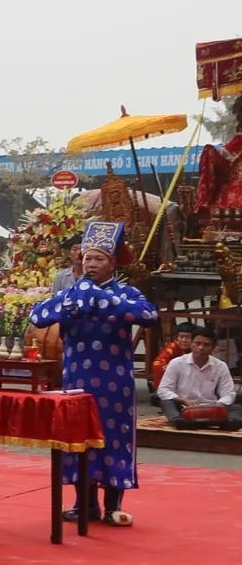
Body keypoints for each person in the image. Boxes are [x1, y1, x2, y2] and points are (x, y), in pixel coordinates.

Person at [29, 220, 159, 526]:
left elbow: (150, 315)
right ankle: (84, 505)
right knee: (79, 439)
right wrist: (73, 302)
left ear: (112, 263)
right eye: (87, 257)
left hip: (116, 386)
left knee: (113, 439)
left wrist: (102, 300)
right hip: (77, 382)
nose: (91, 263)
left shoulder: (127, 293)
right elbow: (38, 315)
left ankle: (113, 506)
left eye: (98, 258)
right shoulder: (71, 293)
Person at [157, 327, 241, 428]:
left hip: (212, 408)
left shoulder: (220, 366)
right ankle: (179, 421)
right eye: (197, 343)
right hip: (184, 407)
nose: (201, 348)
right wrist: (182, 400)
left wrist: (219, 404)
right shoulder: (176, 363)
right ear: (191, 344)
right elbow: (163, 390)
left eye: (206, 345)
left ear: (213, 347)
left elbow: (229, 393)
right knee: (166, 403)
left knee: (237, 408)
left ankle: (225, 422)